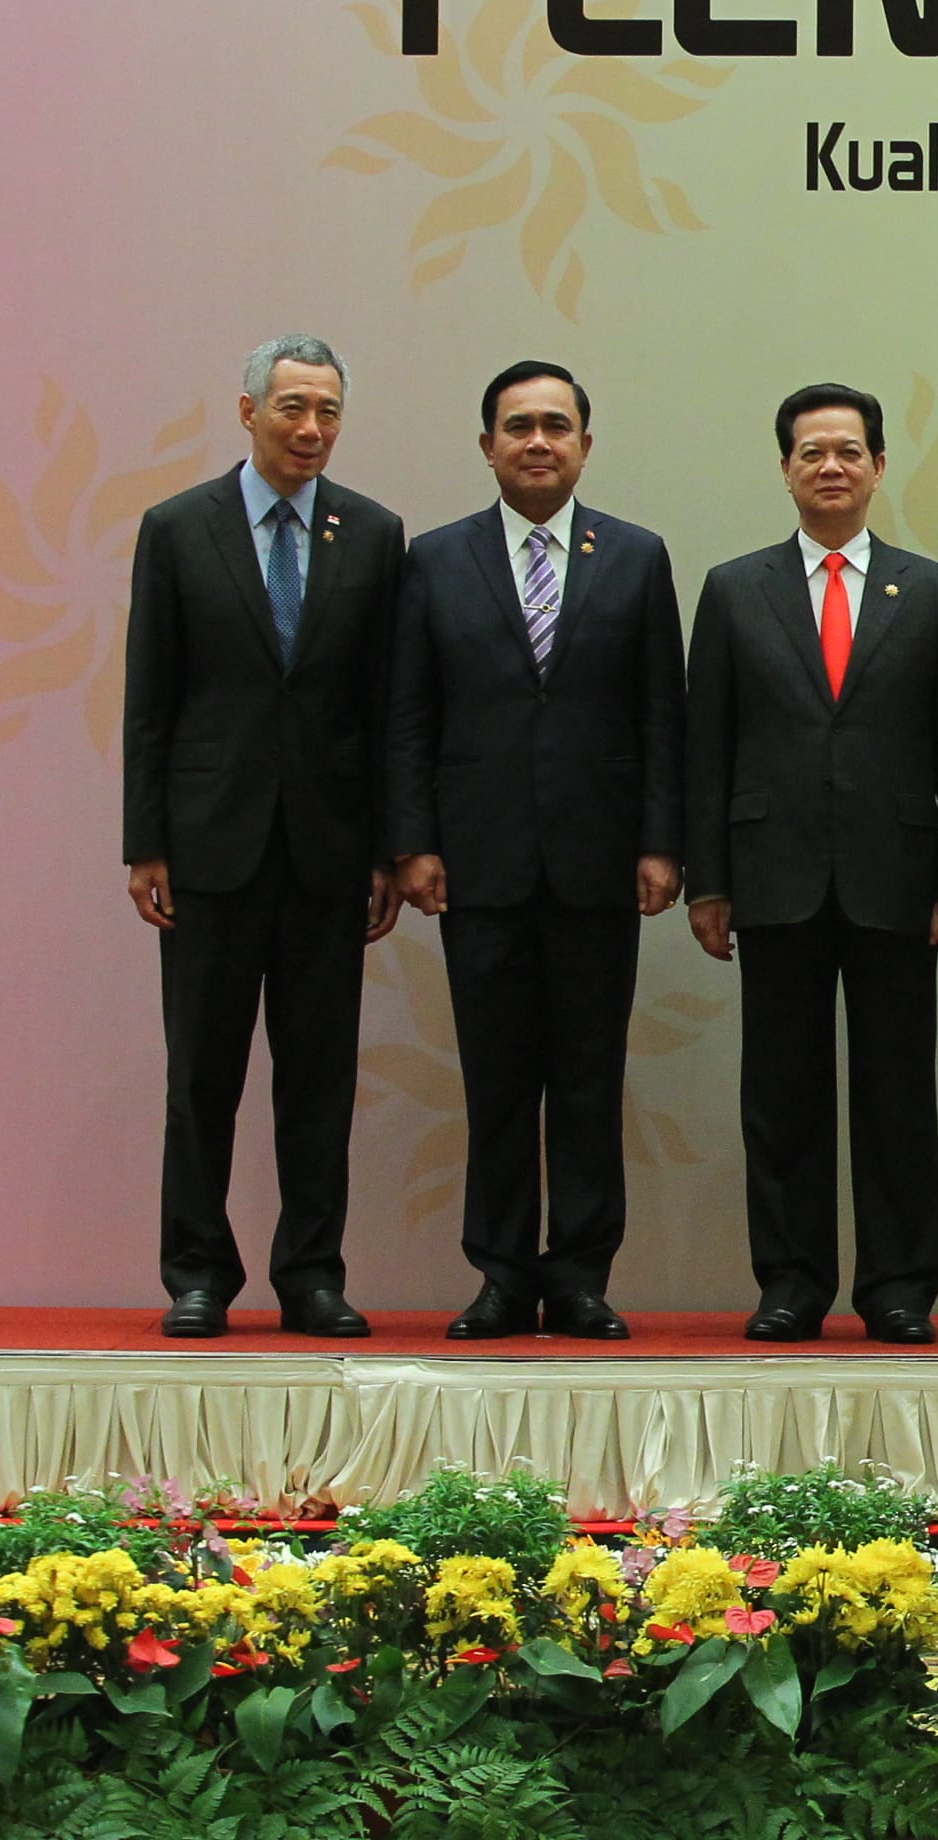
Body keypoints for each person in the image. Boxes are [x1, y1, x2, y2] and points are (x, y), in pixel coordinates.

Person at [384, 362, 685, 1342]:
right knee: (498, 1078)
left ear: (585, 445)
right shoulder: (434, 559)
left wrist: (660, 841)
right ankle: (504, 1275)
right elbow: (409, 715)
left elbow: (660, 715)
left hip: (601, 864)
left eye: (558, 424)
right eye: (519, 425)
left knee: (590, 1078)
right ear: (488, 446)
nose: (539, 440)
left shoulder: (637, 557)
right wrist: (414, 843)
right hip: (479, 864)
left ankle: (584, 1276)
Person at [683, 382, 938, 1344]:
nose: (831, 467)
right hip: (773, 879)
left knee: (898, 1094)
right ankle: (791, 1283)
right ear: (785, 470)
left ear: (880, 467)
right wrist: (710, 880)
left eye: (849, 451)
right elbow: (708, 745)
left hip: (898, 882)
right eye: (811, 452)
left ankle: (898, 1286)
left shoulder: (935, 592)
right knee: (781, 1097)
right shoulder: (735, 589)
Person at [121, 336, 406, 1340]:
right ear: (247, 411)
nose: (311, 428)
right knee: (201, 1074)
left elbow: (384, 708)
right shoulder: (178, 529)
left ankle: (312, 1274)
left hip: (329, 852)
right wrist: (144, 841)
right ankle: (197, 1273)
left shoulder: (374, 535)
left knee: (319, 1076)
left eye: (328, 409)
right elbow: (150, 699)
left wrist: (386, 848)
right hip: (208, 848)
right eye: (292, 407)